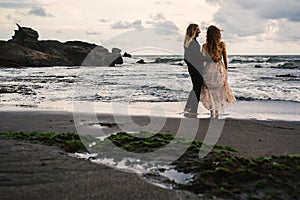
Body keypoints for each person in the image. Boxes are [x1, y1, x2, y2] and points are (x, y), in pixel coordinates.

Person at [201, 25, 236, 118]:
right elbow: (225, 59)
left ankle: (213, 111)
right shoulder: (222, 45)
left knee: (210, 91)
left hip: (208, 69)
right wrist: (226, 70)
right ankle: (216, 110)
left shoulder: (205, 46)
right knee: (219, 90)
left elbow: (202, 59)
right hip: (219, 69)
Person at [183, 23, 208, 117]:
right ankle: (193, 110)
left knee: (195, 87)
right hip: (196, 68)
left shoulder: (190, 42)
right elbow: (198, 57)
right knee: (197, 88)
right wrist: (211, 59)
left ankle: (188, 107)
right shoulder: (192, 43)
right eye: (198, 30)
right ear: (194, 31)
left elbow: (186, 58)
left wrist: (190, 66)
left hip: (193, 68)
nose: (200, 31)